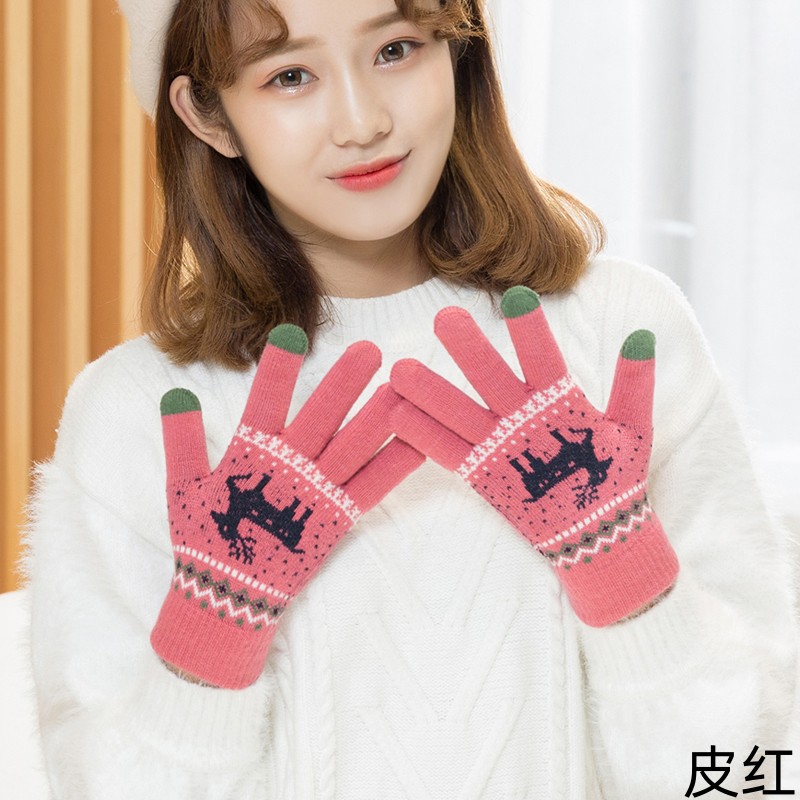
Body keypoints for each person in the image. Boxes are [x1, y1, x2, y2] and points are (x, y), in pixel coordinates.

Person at [24, 0, 798, 797]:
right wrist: (213, 639)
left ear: (458, 49)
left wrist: (625, 577)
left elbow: (745, 772)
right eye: (290, 76)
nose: (363, 123)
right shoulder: (144, 413)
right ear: (208, 115)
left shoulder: (620, 337)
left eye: (395, 50)